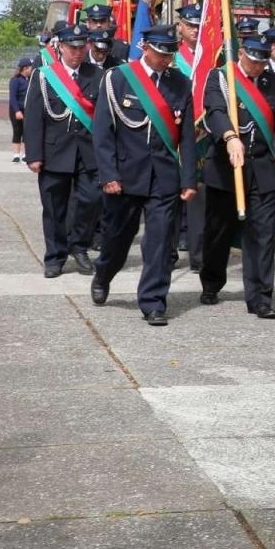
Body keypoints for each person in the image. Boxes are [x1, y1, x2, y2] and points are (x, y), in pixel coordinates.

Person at [90, 25, 198, 325]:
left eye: (170, 53)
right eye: (161, 53)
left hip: (164, 178)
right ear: (145, 48)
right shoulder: (119, 79)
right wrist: (109, 174)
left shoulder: (180, 83)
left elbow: (186, 137)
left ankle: (153, 302)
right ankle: (104, 273)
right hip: (125, 176)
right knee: (117, 239)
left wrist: (188, 178)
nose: (166, 59)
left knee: (162, 242)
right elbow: (103, 132)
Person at [200, 37, 275, 315]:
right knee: (218, 231)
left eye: (263, 60)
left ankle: (261, 296)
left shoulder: (273, 83)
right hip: (226, 170)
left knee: (262, 234)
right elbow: (214, 110)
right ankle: (212, 282)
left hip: (262, 169)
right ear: (240, 53)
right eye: (253, 60)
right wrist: (229, 137)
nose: (258, 66)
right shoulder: (220, 77)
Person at [23, 26, 103, 278]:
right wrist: (33, 155)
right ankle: (55, 255)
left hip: (88, 152)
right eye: (72, 48)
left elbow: (103, 118)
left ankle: (78, 246)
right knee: (54, 207)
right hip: (55, 151)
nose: (77, 53)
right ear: (61, 47)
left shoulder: (98, 75)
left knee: (90, 201)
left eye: (82, 47)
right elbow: (33, 117)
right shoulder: (44, 76)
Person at [174, 3, 206, 274]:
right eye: (191, 25)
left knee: (198, 195)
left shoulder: (213, 56)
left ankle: (199, 254)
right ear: (180, 27)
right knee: (170, 195)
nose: (195, 30)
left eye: (199, 25)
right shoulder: (173, 58)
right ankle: (169, 249)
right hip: (173, 133)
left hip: (204, 134)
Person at [9, 57, 33, 163]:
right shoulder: (15, 80)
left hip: (28, 109)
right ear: (25, 68)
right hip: (17, 109)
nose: (32, 69)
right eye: (30, 67)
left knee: (27, 132)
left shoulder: (32, 79)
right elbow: (12, 97)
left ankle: (25, 154)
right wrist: (17, 111)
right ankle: (16, 155)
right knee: (17, 131)